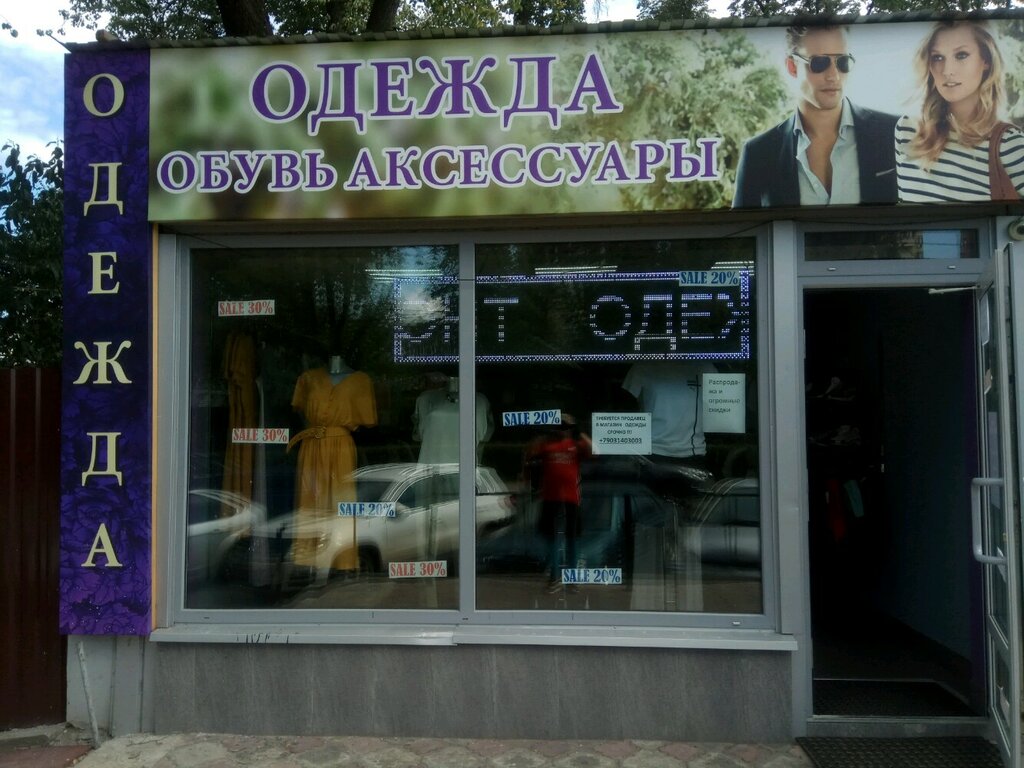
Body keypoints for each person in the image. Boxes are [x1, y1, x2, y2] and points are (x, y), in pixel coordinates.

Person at [733, 25, 899, 208]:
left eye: (843, 62)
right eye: (819, 63)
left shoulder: (895, 133)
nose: (834, 76)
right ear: (792, 67)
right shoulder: (758, 153)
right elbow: (743, 225)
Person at [896, 20, 1024, 202]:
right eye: (937, 57)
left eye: (961, 55)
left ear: (986, 61)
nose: (947, 71)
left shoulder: (1008, 143)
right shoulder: (907, 129)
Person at [524, 414, 592, 591]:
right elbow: (530, 456)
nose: (562, 430)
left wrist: (580, 433)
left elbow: (594, 450)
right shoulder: (546, 444)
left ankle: (572, 579)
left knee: (572, 537)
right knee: (551, 537)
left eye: (565, 426)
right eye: (559, 426)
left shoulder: (576, 445)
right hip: (551, 496)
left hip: (571, 497)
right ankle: (554, 576)